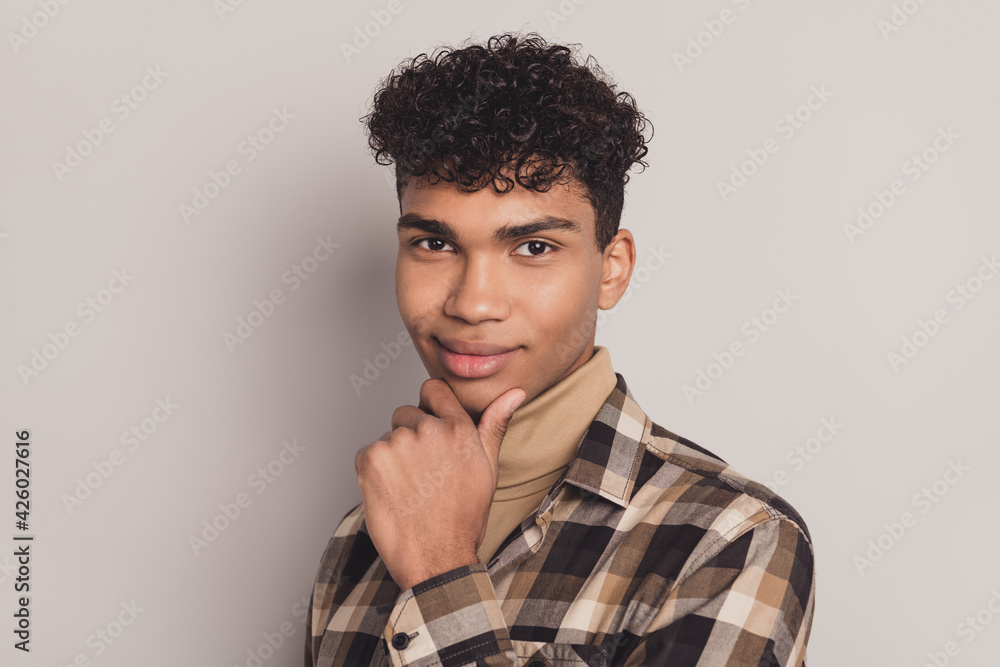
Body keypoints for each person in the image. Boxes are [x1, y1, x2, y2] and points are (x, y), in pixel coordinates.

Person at [306, 32, 815, 666]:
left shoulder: (730, 539)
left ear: (612, 269)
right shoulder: (362, 534)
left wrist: (440, 578)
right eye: (435, 244)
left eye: (533, 248)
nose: (473, 302)